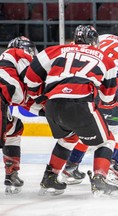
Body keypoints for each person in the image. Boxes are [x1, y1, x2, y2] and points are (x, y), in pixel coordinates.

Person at [24, 25, 118, 197]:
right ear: (95, 41)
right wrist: (103, 102)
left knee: (68, 138)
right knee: (107, 140)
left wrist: (35, 95)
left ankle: (50, 177)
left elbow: (30, 76)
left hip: (53, 105)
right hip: (80, 103)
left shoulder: (57, 50)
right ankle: (100, 179)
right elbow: (108, 99)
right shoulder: (106, 59)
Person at [62, 21, 118, 189]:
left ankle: (70, 167)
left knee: (90, 128)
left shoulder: (104, 37)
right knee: (116, 131)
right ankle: (110, 167)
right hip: (108, 88)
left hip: (80, 85)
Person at [0, 36, 41, 195]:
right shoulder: (18, 54)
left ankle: (11, 174)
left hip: (2, 102)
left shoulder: (8, 66)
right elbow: (34, 83)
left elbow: (24, 99)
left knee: (14, 127)